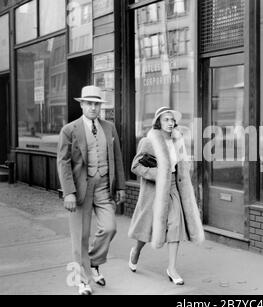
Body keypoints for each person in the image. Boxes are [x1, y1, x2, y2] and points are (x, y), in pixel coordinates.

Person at [57, 86, 126, 295]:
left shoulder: (109, 127)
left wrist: (121, 186)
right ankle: (82, 281)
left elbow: (117, 158)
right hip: (80, 189)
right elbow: (63, 162)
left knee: (110, 227)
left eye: (97, 104)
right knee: (81, 236)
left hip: (104, 186)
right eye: (89, 103)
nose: (93, 107)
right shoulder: (69, 130)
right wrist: (68, 192)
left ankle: (93, 262)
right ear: (82, 105)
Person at [128, 107, 204, 285]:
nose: (170, 123)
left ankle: (172, 268)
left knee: (175, 225)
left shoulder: (178, 141)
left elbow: (180, 165)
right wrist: (157, 173)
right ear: (158, 123)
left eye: (172, 120)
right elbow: (135, 166)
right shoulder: (149, 141)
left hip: (173, 188)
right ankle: (136, 251)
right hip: (155, 189)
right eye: (166, 120)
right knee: (148, 227)